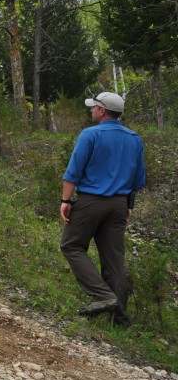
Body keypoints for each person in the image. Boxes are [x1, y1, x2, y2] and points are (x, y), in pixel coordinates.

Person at [60, 92, 146, 326]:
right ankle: (120, 320)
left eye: (94, 107)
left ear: (102, 110)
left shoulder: (91, 134)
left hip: (90, 201)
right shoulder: (134, 139)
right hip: (119, 205)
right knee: (114, 259)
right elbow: (137, 179)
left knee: (71, 245)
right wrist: (129, 205)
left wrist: (66, 201)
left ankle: (102, 295)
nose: (91, 111)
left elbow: (73, 172)